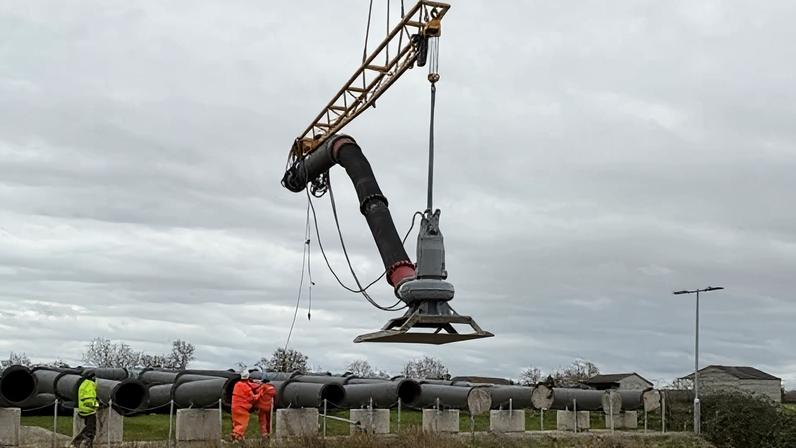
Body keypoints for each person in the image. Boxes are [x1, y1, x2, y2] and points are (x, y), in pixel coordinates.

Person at [230, 368, 260, 441]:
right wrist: (260, 393)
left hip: (235, 407)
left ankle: (235, 435)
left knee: (236, 423)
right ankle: (237, 437)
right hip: (242, 408)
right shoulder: (246, 387)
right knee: (242, 424)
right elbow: (253, 398)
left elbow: (250, 384)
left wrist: (257, 383)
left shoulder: (237, 384)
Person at [72, 371, 99, 448]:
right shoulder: (89, 384)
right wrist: (97, 404)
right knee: (91, 430)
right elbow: (89, 400)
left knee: (88, 427)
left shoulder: (82, 383)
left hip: (82, 409)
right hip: (89, 410)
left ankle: (77, 442)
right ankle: (80, 443)